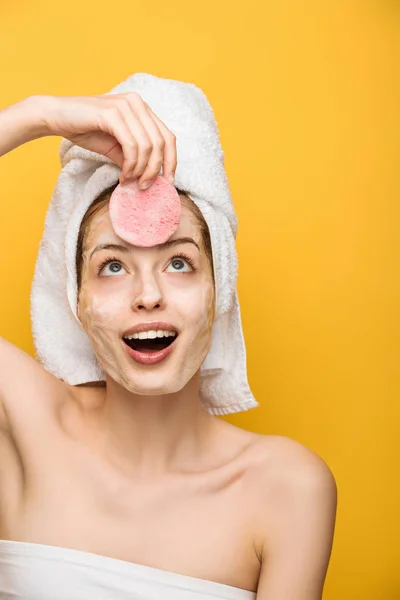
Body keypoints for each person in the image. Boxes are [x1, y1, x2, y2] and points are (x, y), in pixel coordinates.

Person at [0, 90, 337, 599]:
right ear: (77, 300)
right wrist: (37, 116)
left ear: (219, 291)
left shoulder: (287, 487)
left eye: (179, 262)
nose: (148, 295)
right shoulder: (21, 426)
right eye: (112, 266)